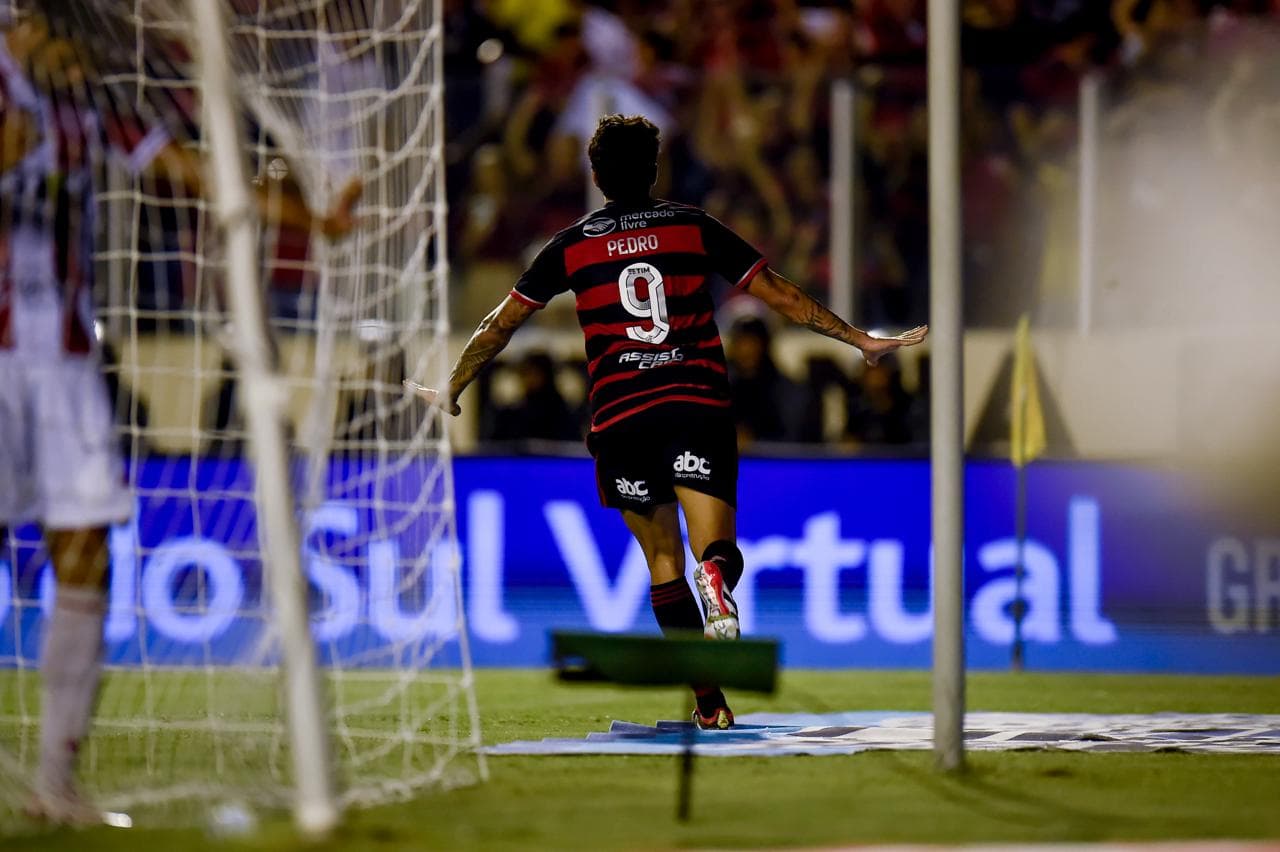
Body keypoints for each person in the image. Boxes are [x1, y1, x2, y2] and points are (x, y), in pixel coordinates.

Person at [408, 114, 927, 729]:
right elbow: (781, 295)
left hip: (622, 417)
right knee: (716, 548)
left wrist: (453, 384)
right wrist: (858, 339)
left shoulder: (571, 245)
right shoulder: (691, 226)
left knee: (661, 562)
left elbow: (501, 322)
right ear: (654, 170)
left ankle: (710, 704)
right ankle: (717, 579)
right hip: (693, 402)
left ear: (595, 175)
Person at [0, 11, 359, 823]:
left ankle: (56, 783)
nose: (83, 52)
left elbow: (191, 172)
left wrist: (315, 222)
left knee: (89, 547)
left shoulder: (85, 105)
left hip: (62, 359)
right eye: (67, 35)